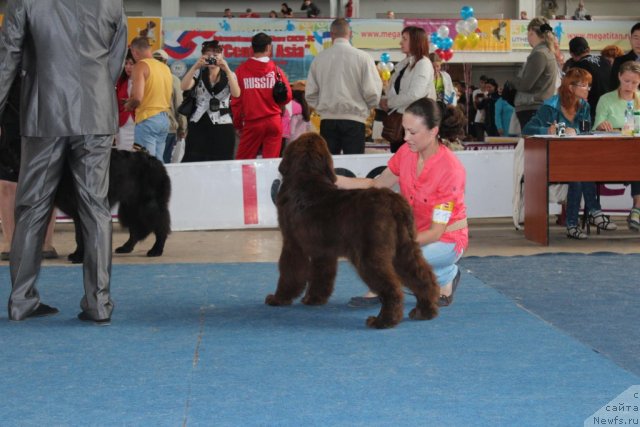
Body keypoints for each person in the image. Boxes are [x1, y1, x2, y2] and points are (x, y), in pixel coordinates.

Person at [0, 0, 127, 323]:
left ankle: (21, 301)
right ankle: (98, 303)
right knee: (96, 208)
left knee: (32, 206)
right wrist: (95, 92)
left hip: (45, 113)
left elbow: (7, 59)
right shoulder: (111, 2)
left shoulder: (24, 1)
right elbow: (114, 60)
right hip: (96, 113)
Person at [338, 98, 467, 307]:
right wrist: (337, 181)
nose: (406, 138)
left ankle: (386, 287)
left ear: (434, 131)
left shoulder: (451, 170)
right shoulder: (406, 152)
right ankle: (445, 275)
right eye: (404, 130)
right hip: (416, 232)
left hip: (447, 239)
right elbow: (377, 183)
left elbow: (436, 232)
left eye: (413, 132)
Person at [522, 68, 617, 239]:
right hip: (551, 159)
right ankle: (592, 214)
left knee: (579, 171)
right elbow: (527, 129)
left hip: (575, 158)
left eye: (589, 86)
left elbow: (585, 132)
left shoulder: (584, 106)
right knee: (578, 172)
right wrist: (547, 129)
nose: (588, 89)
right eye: (584, 85)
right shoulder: (550, 107)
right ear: (571, 87)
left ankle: (575, 224)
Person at [0, 73, 58, 262]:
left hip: (46, 118)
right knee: (7, 185)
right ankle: (11, 241)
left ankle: (45, 243)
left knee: (46, 183)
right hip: (9, 121)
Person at [305, 18, 382, 154]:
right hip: (355, 120)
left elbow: (310, 93)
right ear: (350, 34)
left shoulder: (319, 59)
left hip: (328, 120)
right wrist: (367, 107)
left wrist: (323, 107)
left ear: (331, 35)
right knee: (354, 168)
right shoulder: (364, 58)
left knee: (329, 167)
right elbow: (373, 92)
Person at [593, 61, 640, 230]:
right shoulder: (606, 99)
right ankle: (637, 210)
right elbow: (596, 127)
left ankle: (637, 208)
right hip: (612, 155)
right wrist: (601, 125)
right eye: (626, 81)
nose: (630, 86)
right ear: (619, 76)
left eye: (634, 82)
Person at [232, 33, 292, 159]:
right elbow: (287, 97)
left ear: (252, 48)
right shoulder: (277, 70)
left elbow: (236, 101)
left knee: (244, 162)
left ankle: (248, 180)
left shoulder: (241, 71)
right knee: (271, 162)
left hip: (252, 123)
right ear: (269, 48)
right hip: (274, 121)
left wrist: (237, 124)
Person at [181, 40, 241, 161]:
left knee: (221, 162)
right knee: (194, 161)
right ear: (202, 56)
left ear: (222, 55)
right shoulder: (198, 73)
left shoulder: (230, 74)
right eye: (208, 54)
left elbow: (236, 93)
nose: (212, 57)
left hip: (223, 125)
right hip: (198, 123)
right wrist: (195, 66)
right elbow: (184, 86)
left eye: (215, 54)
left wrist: (227, 69)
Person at [380, 27, 435, 152]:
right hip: (401, 122)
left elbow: (415, 94)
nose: (401, 42)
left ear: (415, 41)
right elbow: (395, 91)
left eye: (404, 39)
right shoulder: (404, 64)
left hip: (415, 124)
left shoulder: (423, 64)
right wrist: (383, 100)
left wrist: (388, 103)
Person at [125, 36, 172, 162]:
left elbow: (138, 98)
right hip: (164, 119)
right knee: (158, 163)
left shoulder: (140, 66)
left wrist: (128, 105)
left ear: (134, 51)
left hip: (148, 119)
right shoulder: (165, 68)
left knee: (145, 164)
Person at [513, 17, 558, 130]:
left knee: (532, 144)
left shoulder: (539, 54)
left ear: (532, 32)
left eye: (528, 34)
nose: (528, 38)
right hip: (541, 105)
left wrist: (512, 84)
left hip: (532, 107)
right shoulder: (547, 52)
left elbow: (526, 85)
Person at [152, 49, 187, 164]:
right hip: (168, 127)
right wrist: (183, 128)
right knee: (165, 164)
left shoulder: (146, 78)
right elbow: (179, 105)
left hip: (150, 127)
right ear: (166, 62)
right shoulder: (173, 79)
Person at [567, 37, 611, 122]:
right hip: (609, 108)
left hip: (590, 110)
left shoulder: (577, 67)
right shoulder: (604, 60)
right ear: (589, 49)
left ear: (571, 54)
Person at [115, 50, 136, 151]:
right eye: (126, 63)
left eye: (131, 64)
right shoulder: (120, 81)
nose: (128, 67)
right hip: (123, 125)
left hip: (138, 124)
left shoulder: (143, 81)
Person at [610, 23, 640, 89]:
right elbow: (613, 86)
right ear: (630, 39)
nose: (639, 42)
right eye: (636, 38)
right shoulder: (619, 61)